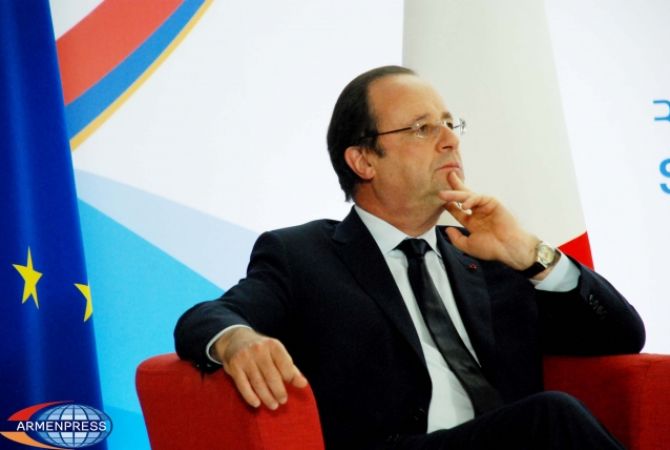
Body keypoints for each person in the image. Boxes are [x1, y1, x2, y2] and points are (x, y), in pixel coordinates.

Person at [175, 65, 645, 449]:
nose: (449, 140)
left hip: (509, 439)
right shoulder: (303, 255)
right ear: (364, 160)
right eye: (422, 129)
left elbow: (623, 336)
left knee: (546, 418)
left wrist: (528, 253)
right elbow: (207, 316)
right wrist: (236, 340)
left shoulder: (486, 253)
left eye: (450, 124)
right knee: (551, 415)